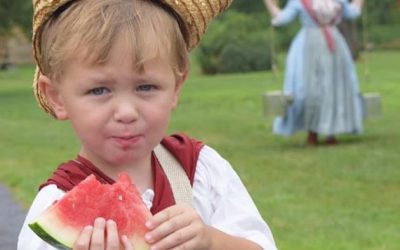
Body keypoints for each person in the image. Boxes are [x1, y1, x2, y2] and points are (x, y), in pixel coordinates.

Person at [18, 0, 278, 249]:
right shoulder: (52, 206)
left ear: (176, 86)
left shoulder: (201, 170)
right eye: (99, 90)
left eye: (146, 87)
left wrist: (211, 242)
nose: (127, 112)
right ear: (57, 97)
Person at [263, 0, 365, 145]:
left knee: (333, 87)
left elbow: (353, 12)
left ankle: (331, 131)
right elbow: (282, 19)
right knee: (309, 88)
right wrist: (270, 4)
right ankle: (312, 130)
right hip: (309, 47)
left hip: (334, 48)